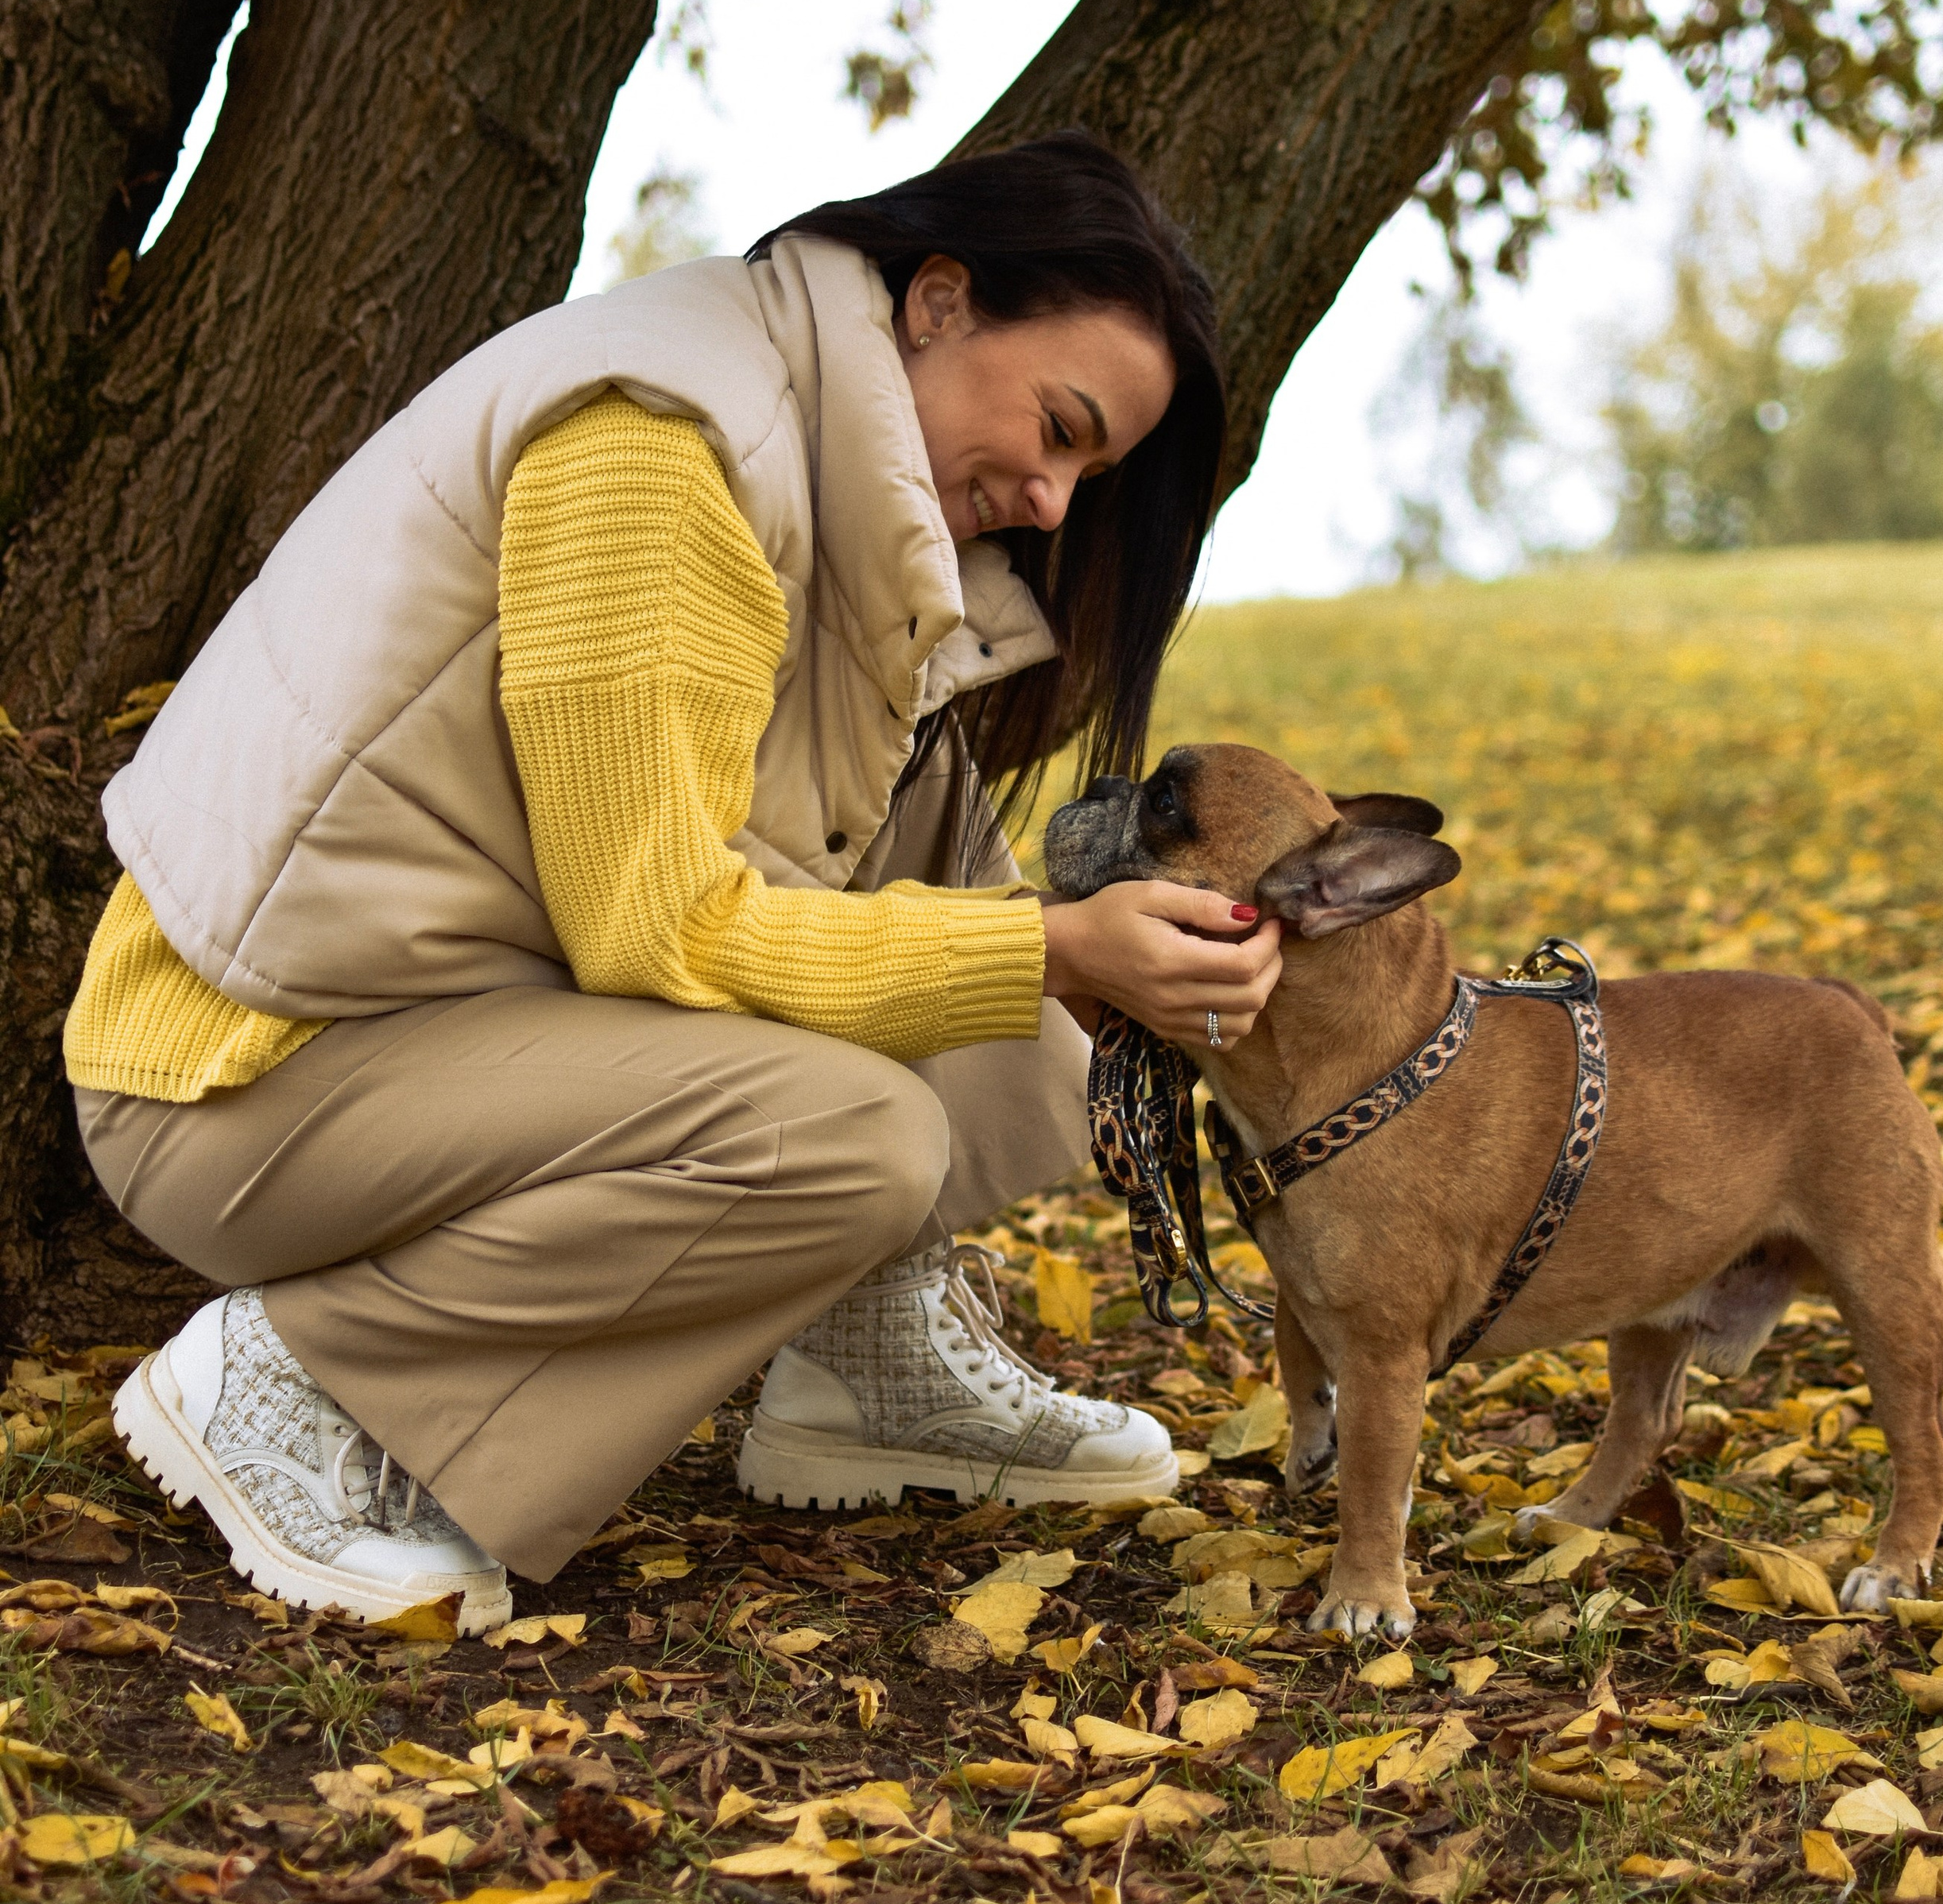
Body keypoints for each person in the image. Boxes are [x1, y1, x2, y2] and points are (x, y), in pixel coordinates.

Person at [65, 131, 1283, 1632]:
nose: (1052, 497)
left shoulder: (815, 464)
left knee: (929, 852)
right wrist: (1052, 949)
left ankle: (857, 1356)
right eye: (1061, 426)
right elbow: (661, 930)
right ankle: (304, 1379)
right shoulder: (666, 445)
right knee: (855, 1139)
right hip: (245, 1077)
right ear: (940, 303)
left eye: (1089, 470)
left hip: (423, 1020)